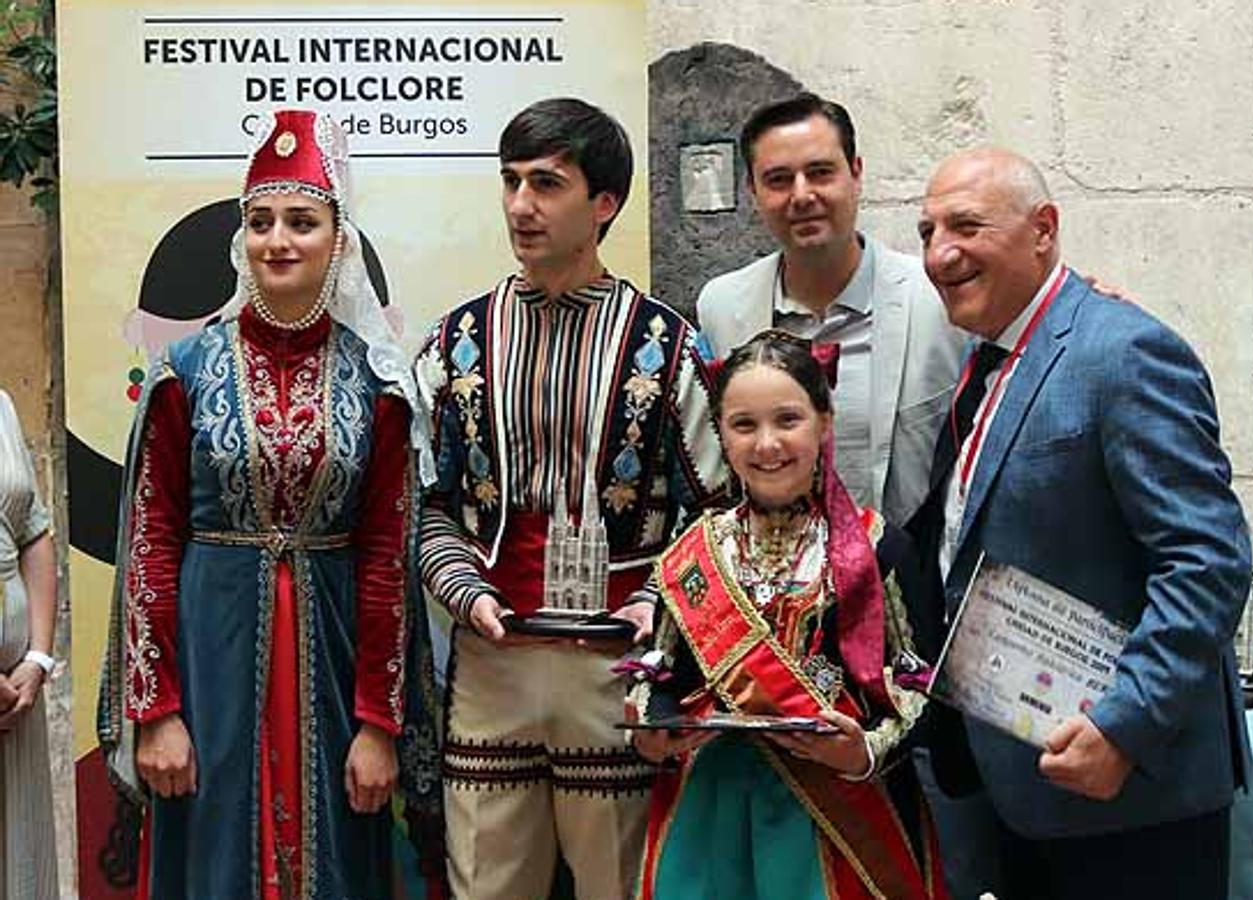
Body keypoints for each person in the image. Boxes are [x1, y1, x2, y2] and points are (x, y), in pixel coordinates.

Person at [96, 109, 442, 899]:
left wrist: (379, 726)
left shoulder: (375, 384)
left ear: (338, 242)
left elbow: (389, 554)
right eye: (259, 222)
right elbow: (150, 539)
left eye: (301, 222)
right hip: (209, 663)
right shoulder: (184, 370)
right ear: (239, 241)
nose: (277, 240)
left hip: (333, 661)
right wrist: (157, 712)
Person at [909, 147, 1251, 899]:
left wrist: (1125, 724)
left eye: (965, 226)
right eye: (926, 231)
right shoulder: (984, 361)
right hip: (1019, 783)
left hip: (1127, 799)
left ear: (1043, 230)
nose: (939, 253)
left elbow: (1206, 560)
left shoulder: (1122, 351)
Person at [415, 97, 728, 899]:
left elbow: (718, 508)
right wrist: (465, 589)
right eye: (511, 181)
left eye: (546, 183)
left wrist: (656, 600)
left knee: (621, 885)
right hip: (490, 663)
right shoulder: (456, 342)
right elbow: (420, 503)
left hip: (616, 670)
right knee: (484, 883)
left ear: (604, 204)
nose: (521, 204)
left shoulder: (666, 346)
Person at [627, 331, 946, 900]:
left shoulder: (877, 547)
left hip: (839, 811)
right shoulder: (696, 547)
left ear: (825, 422)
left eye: (788, 420)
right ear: (720, 434)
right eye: (744, 425)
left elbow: (920, 679)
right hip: (712, 810)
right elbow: (663, 670)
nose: (767, 444)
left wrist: (865, 748)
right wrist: (652, 727)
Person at [696, 93, 963, 526]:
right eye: (779, 179)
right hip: (771, 577)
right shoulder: (722, 308)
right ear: (753, 192)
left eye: (820, 173)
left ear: (856, 174)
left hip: (908, 579)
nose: (802, 196)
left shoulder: (937, 298)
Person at [0, 388, 59, 899]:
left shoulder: (0, 407)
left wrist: (38, 657)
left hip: (16, 700)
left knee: (20, 864)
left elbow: (34, 533)